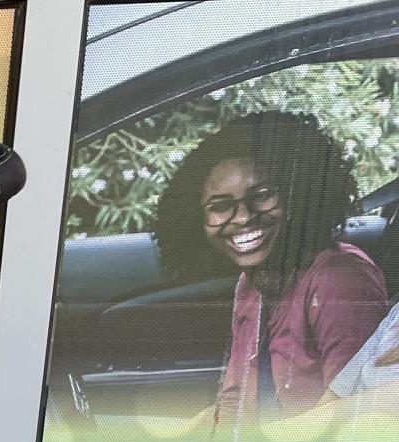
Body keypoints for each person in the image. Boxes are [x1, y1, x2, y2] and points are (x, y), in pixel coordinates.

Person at [154, 111, 386, 425]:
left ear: (299, 194)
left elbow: (358, 416)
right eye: (221, 206)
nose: (243, 217)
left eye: (261, 196)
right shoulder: (251, 284)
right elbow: (237, 404)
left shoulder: (339, 282)